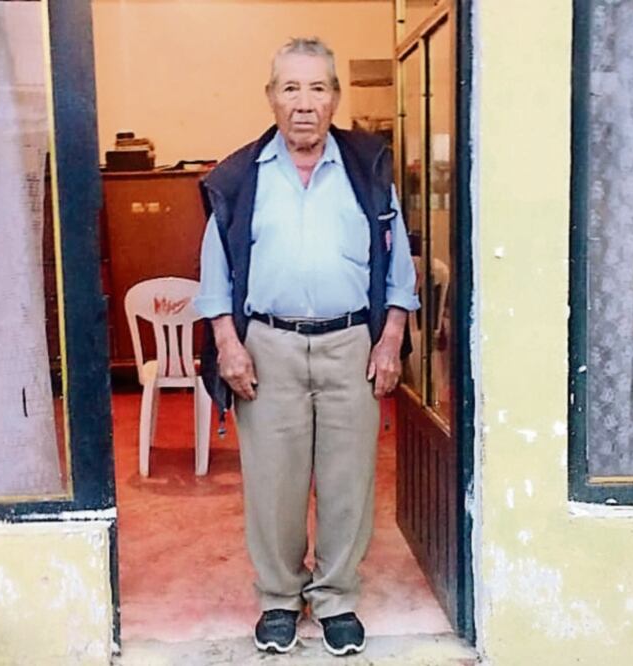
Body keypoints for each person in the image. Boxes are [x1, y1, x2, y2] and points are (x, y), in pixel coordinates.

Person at [194, 37, 419, 656]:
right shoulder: (240, 177)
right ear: (271, 97)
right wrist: (228, 344)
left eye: (317, 88)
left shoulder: (367, 170)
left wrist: (391, 339)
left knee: (349, 481)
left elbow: (399, 268)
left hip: (352, 345)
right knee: (274, 483)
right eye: (290, 88)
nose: (303, 103)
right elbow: (214, 275)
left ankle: (337, 596)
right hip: (268, 347)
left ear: (335, 98)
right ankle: (279, 598)